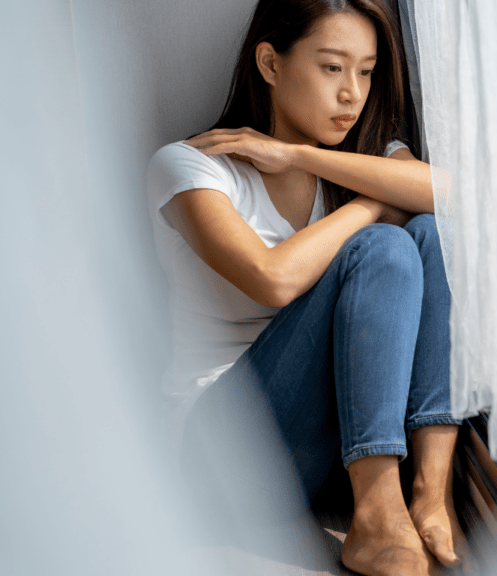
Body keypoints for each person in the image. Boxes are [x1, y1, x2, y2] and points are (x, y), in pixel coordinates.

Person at [145, 1, 467, 574]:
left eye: (366, 71)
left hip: (327, 447)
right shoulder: (194, 167)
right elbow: (273, 278)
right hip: (223, 447)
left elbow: (448, 193)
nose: (352, 94)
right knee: (385, 243)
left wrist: (299, 155)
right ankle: (376, 514)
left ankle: (429, 491)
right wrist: (372, 205)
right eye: (331, 67)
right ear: (270, 63)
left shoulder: (360, 157)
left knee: (428, 232)